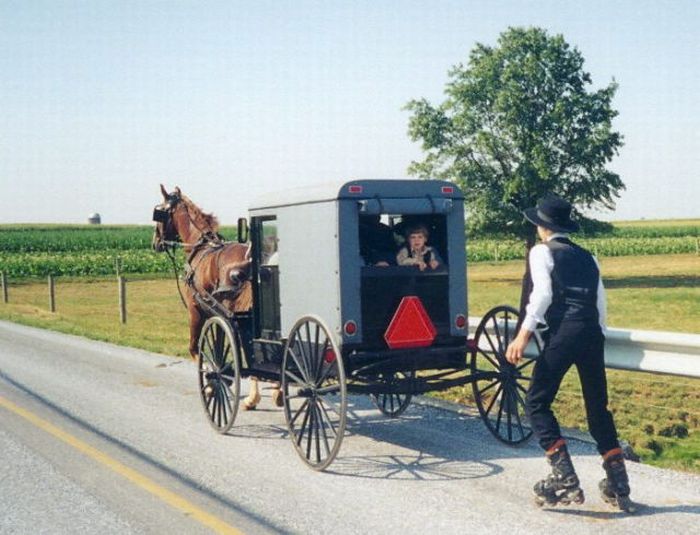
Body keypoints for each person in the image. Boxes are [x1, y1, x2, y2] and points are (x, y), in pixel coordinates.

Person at [505, 194, 635, 513]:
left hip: (564, 332)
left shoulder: (541, 252)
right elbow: (600, 305)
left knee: (536, 402)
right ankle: (619, 485)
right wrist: (596, 336)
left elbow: (542, 296)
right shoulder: (589, 257)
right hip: (592, 333)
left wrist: (522, 335)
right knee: (597, 408)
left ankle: (564, 479)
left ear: (543, 226)